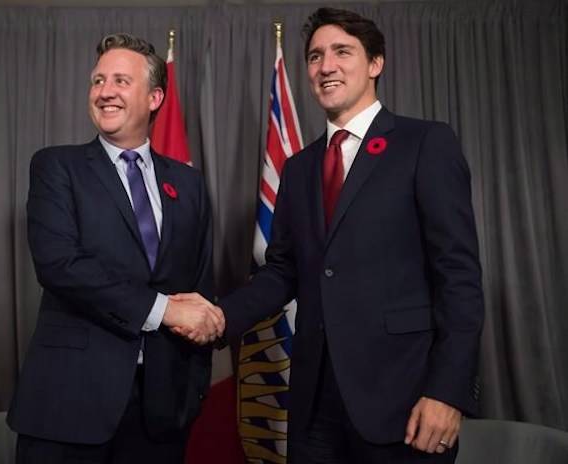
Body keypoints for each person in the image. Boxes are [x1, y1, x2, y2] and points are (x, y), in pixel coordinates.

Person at [177, 7, 484, 463]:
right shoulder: (299, 168)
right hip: (314, 404)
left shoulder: (425, 144)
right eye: (316, 56)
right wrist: (220, 317)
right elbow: (283, 271)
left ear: (375, 63)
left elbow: (458, 276)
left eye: (343, 51)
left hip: (404, 399)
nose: (326, 66)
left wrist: (448, 391)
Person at [7, 33, 223, 464]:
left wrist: (196, 376)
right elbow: (60, 265)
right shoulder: (56, 167)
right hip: (69, 406)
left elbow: (199, 283)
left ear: (155, 97)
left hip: (161, 412)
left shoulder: (188, 183)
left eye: (121, 81)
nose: (105, 92)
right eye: (98, 80)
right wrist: (164, 310)